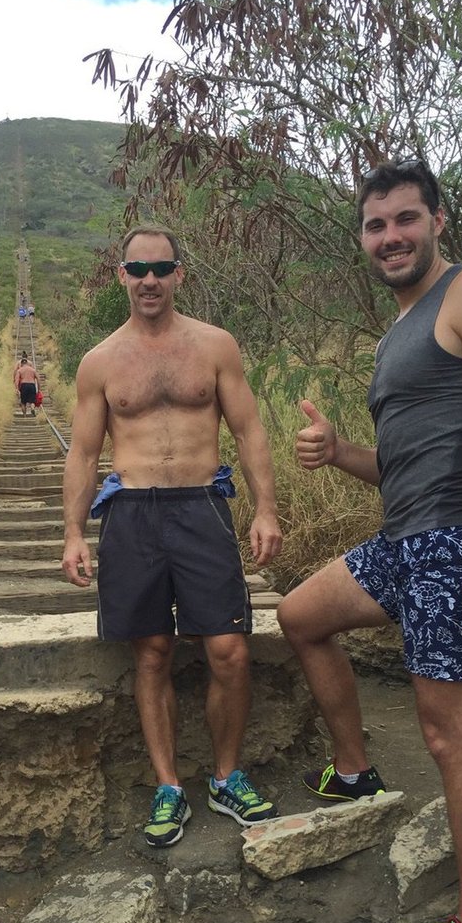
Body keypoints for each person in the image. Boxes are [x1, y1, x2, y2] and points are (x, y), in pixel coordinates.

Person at [276, 158, 462, 923]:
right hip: (406, 540)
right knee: (300, 614)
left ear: (436, 222)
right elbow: (404, 465)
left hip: (460, 542)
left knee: (450, 731)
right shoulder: (401, 333)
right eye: (375, 224)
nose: (390, 236)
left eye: (404, 219)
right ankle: (355, 771)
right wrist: (340, 453)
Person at [62, 225, 283, 847]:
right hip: (131, 512)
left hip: (201, 507)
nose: (150, 279)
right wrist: (73, 532)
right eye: (138, 269)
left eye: (161, 268)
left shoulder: (214, 346)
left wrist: (266, 509)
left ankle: (227, 775)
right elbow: (82, 454)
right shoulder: (100, 361)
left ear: (179, 273)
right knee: (152, 651)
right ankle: (167, 786)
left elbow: (249, 430)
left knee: (230, 650)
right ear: (122, 275)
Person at [14, 352, 40, 416]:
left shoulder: (19, 370)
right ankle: (32, 408)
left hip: (24, 386)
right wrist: (38, 389)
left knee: (23, 402)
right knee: (32, 401)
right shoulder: (33, 370)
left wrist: (17, 389)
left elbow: (16, 380)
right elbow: (38, 379)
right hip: (32, 385)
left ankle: (24, 415)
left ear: (22, 363)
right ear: (27, 363)